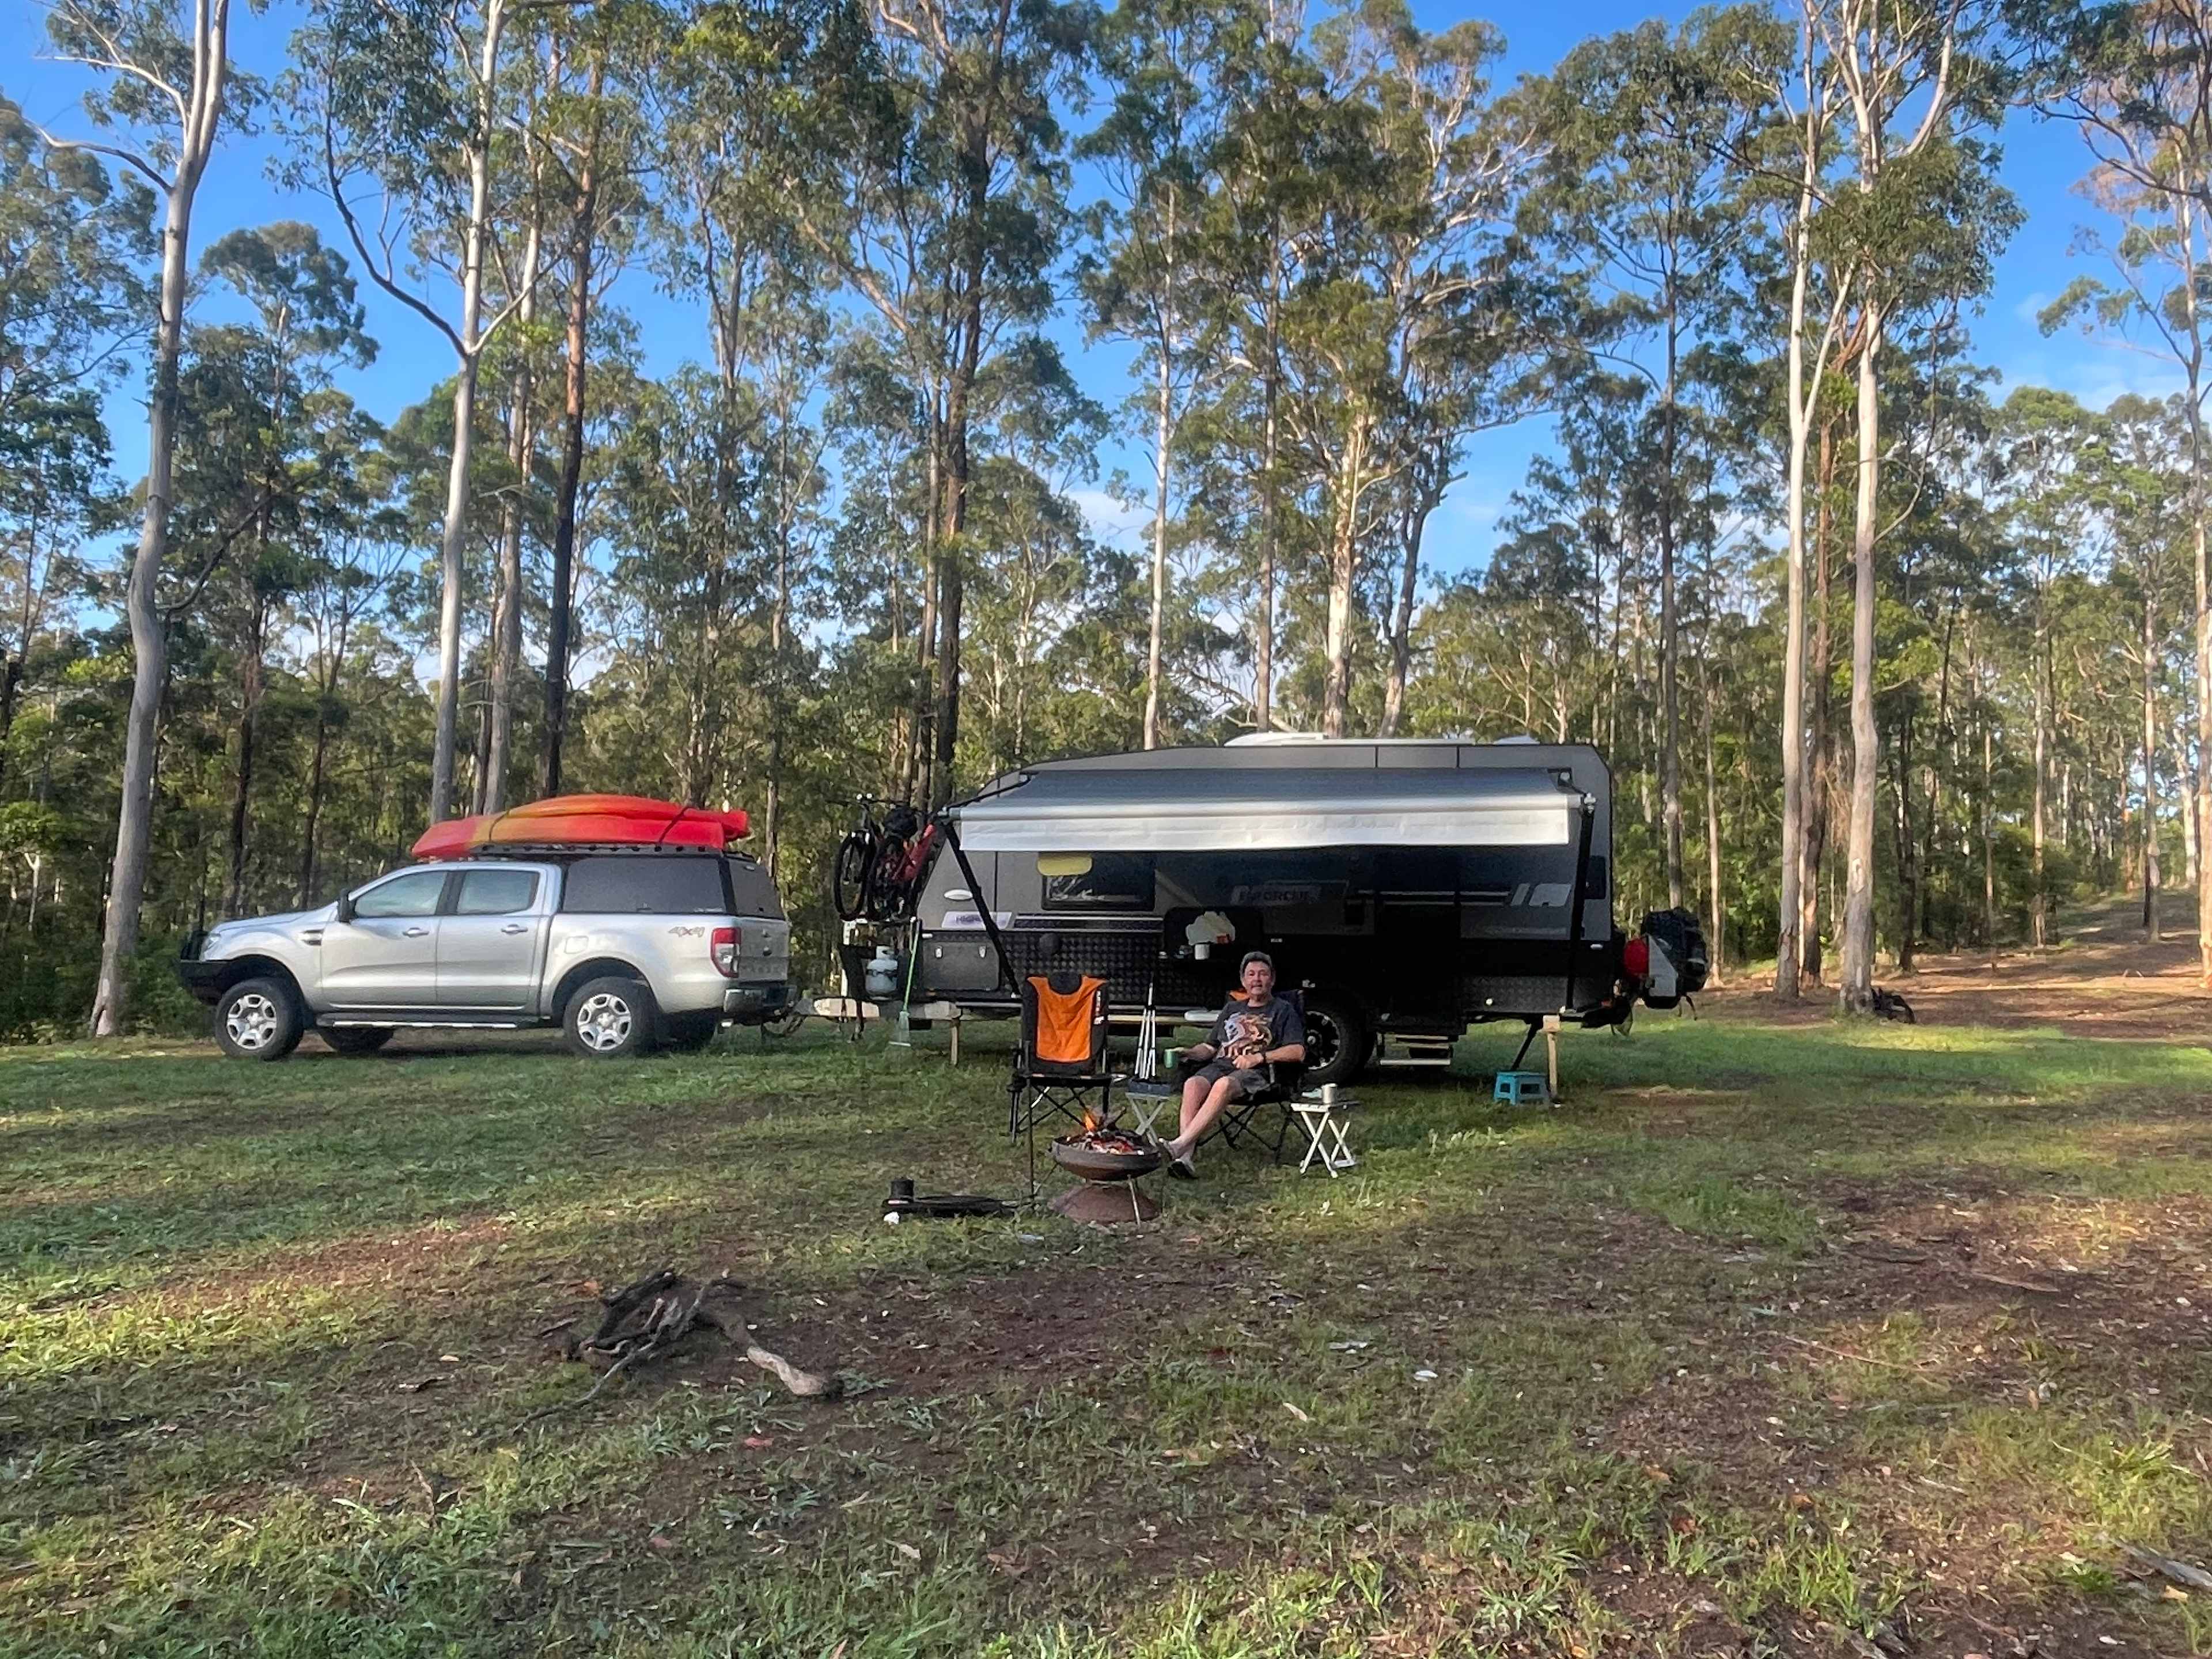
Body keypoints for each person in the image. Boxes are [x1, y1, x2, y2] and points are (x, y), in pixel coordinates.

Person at [1163, 951, 1305, 1179]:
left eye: (1262, 974)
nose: (1256, 980)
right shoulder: (1232, 1010)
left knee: (1223, 1085)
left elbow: (1298, 1051)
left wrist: (1260, 1058)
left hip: (1258, 1073)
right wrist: (1189, 1052)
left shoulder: (1283, 1010)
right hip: (1221, 1065)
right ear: (1243, 981)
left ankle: (1180, 1146)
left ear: (1272, 979)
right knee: (1193, 1084)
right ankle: (1185, 1158)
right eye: (1251, 975)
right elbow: (1210, 1048)